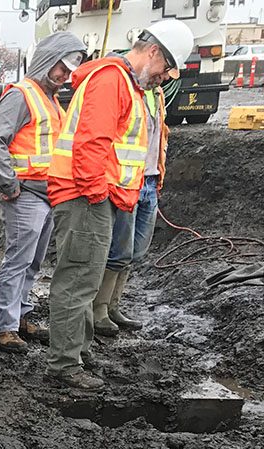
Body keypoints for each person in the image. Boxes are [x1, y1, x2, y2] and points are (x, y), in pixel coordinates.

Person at [44, 19, 194, 390]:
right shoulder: (112, 80)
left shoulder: (125, 83)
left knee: (88, 279)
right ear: (154, 52)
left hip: (97, 197)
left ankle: (79, 350)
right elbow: (92, 143)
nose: (163, 78)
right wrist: (98, 194)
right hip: (86, 196)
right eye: (164, 69)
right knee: (78, 280)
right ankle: (64, 365)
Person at [0, 32, 87, 354]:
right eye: (62, 69)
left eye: (69, 72)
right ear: (47, 61)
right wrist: (9, 184)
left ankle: (22, 317)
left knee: (34, 262)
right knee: (18, 260)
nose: (65, 77)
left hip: (46, 193)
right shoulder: (22, 96)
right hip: (25, 193)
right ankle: (6, 328)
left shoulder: (50, 99)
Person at [93, 81, 170, 336]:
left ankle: (113, 306)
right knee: (120, 250)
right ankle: (99, 309)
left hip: (149, 180)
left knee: (136, 250)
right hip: (128, 182)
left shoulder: (156, 95)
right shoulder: (129, 91)